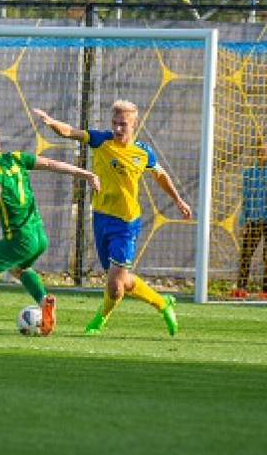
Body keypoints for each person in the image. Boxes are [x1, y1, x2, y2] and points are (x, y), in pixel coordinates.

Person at [32, 101, 191, 336]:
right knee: (119, 280)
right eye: (115, 123)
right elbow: (72, 132)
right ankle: (162, 302)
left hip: (126, 223)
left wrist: (178, 199)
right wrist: (51, 122)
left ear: (134, 124)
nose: (117, 129)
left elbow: (160, 174)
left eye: (123, 125)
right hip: (100, 218)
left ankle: (99, 319)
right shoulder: (101, 141)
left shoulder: (142, 152)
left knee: (115, 287)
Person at [0, 121, 100, 340]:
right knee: (19, 269)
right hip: (38, 236)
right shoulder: (15, 158)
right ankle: (44, 302)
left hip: (20, 239)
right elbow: (52, 164)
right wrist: (86, 174)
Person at [232, 142, 267, 300]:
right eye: (259, 151)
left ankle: (266, 289)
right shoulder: (249, 174)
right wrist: (243, 221)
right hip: (254, 219)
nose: (261, 153)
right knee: (246, 253)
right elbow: (245, 198)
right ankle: (241, 287)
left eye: (265, 151)